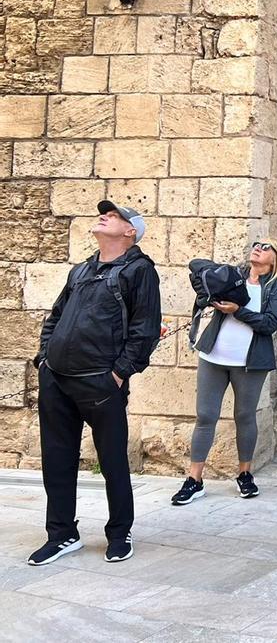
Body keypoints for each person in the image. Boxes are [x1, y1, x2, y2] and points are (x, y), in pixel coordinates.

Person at [29, 201, 161, 566]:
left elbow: (145, 331)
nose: (105, 216)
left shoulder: (140, 272)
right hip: (56, 378)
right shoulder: (82, 269)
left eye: (116, 216)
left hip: (100, 382)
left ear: (130, 231)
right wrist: (45, 358)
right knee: (56, 460)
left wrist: (118, 373)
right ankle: (61, 535)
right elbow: (55, 316)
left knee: (113, 461)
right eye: (106, 213)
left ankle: (119, 533)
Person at [171, 238, 277, 505]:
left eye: (267, 246)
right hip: (213, 355)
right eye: (256, 243)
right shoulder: (233, 275)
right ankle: (194, 479)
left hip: (250, 362)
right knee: (205, 416)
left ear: (276, 258)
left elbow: (270, 324)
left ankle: (245, 474)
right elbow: (201, 277)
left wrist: (239, 310)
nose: (259, 247)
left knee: (245, 416)